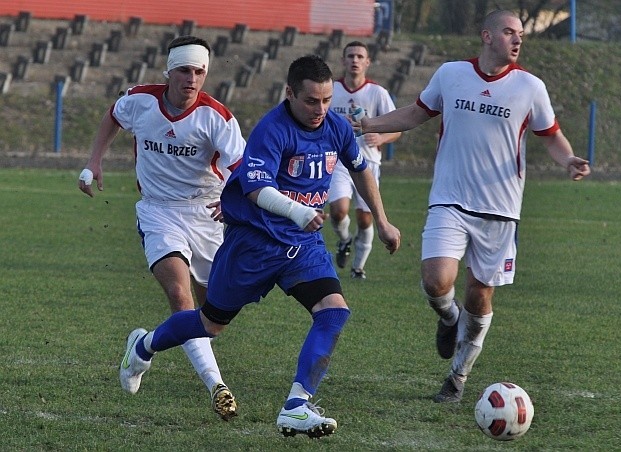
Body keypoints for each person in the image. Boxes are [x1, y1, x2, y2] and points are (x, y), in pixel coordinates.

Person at [117, 55, 401, 437]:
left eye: (327, 100)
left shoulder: (335, 126)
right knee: (209, 324)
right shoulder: (273, 130)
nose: (320, 110)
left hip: (302, 244)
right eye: (311, 101)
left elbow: (360, 167)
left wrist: (381, 220)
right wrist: (298, 211)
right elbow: (255, 188)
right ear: (290, 94)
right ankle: (144, 346)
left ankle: (296, 406)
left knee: (333, 312)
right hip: (255, 243)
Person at [355, 10, 591, 403]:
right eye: (509, 33)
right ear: (487, 36)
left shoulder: (530, 86)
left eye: (520, 35)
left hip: (500, 210)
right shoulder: (451, 74)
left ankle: (458, 377)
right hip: (450, 199)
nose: (517, 40)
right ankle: (449, 318)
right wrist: (368, 125)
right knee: (435, 281)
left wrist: (567, 159)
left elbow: (551, 136)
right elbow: (416, 114)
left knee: (479, 297)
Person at [77, 35, 246, 420]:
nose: (192, 79)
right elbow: (113, 116)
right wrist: (95, 160)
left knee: (212, 314)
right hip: (158, 211)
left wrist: (234, 200)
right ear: (168, 71)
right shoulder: (140, 101)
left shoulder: (217, 117)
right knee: (177, 293)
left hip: (208, 214)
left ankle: (142, 348)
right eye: (184, 70)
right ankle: (216, 386)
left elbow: (244, 169)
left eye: (199, 72)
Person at [328, 41, 401, 279]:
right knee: (339, 212)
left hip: (368, 162)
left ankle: (358, 268)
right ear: (343, 60)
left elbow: (397, 128)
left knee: (365, 216)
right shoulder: (331, 89)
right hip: (338, 161)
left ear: (367, 62)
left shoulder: (377, 93)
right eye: (350, 56)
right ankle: (345, 240)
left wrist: (380, 138)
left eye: (360, 56)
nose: (355, 60)